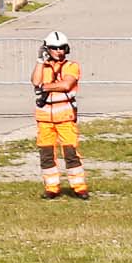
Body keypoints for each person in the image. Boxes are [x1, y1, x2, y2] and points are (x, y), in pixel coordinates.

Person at [31, 30, 88, 199]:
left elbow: (66, 84)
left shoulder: (72, 66)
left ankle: (79, 187)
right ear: (47, 49)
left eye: (62, 48)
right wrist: (40, 61)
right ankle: (51, 187)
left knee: (71, 153)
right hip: (44, 119)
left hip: (65, 118)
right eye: (54, 48)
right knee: (46, 155)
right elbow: (35, 81)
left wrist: (44, 87)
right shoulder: (43, 66)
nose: (59, 51)